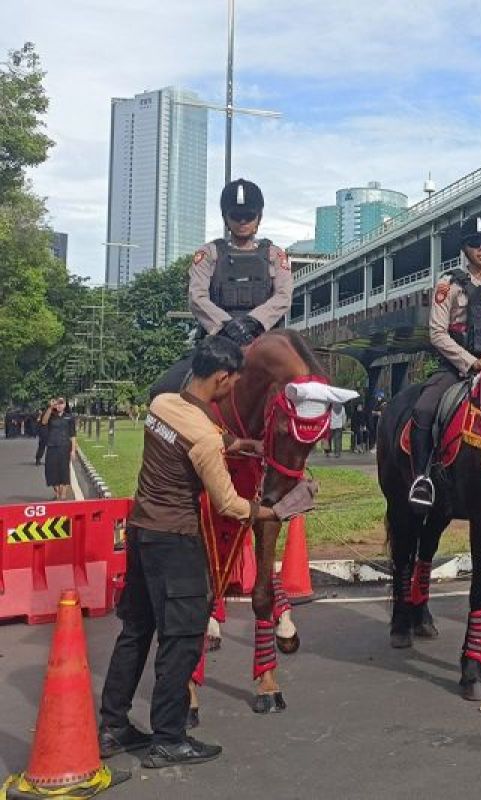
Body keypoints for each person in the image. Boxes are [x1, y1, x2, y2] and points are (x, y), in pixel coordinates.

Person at [98, 337, 279, 768]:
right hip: (176, 540)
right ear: (221, 378)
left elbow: (205, 436)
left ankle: (113, 726)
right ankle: (169, 737)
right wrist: (267, 509)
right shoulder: (202, 437)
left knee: (136, 630)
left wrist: (244, 445)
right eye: (232, 381)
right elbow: (228, 504)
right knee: (181, 639)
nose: (232, 388)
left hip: (141, 531)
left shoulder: (162, 404)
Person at [407, 216, 481, 511]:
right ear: (465, 248)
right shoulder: (449, 284)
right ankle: (422, 478)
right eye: (475, 243)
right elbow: (437, 332)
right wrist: (472, 363)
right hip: (458, 369)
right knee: (424, 408)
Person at [148, 179, 292, 398]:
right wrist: (225, 325)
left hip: (266, 340)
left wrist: (253, 321)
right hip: (217, 343)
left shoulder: (275, 255)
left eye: (249, 216)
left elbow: (283, 295)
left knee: (312, 386)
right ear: (225, 217)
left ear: (259, 218)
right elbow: (197, 296)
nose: (242, 221)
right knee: (162, 390)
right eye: (236, 216)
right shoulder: (208, 254)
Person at [40, 397, 75, 500]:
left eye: (61, 403)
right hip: (52, 446)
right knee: (50, 470)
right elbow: (43, 422)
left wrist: (73, 450)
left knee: (64, 470)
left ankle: (63, 495)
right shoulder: (51, 416)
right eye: (57, 403)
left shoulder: (69, 418)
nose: (59, 405)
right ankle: (57, 491)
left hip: (64, 447)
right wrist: (50, 408)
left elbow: (73, 435)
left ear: (65, 405)